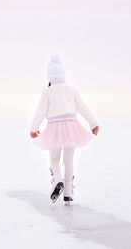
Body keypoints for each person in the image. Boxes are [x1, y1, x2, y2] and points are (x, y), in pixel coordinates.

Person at [30, 55, 99, 204]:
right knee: (69, 161)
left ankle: (58, 181)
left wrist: (34, 128)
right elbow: (83, 107)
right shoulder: (71, 90)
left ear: (49, 76)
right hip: (71, 127)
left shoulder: (47, 92)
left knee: (54, 159)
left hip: (54, 128)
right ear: (63, 75)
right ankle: (67, 192)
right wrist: (93, 123)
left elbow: (40, 111)